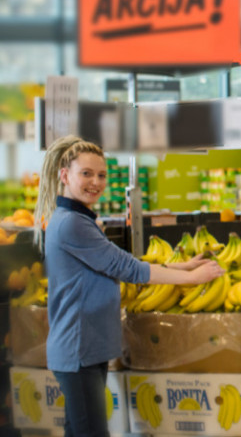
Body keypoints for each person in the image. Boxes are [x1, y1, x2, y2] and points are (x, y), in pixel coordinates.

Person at [35, 136, 225, 437]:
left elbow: (120, 261)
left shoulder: (75, 220)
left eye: (101, 175)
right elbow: (129, 270)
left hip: (84, 350)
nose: (95, 182)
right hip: (78, 350)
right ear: (64, 175)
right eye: (86, 173)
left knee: (78, 430)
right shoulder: (72, 223)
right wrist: (191, 279)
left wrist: (183, 266)